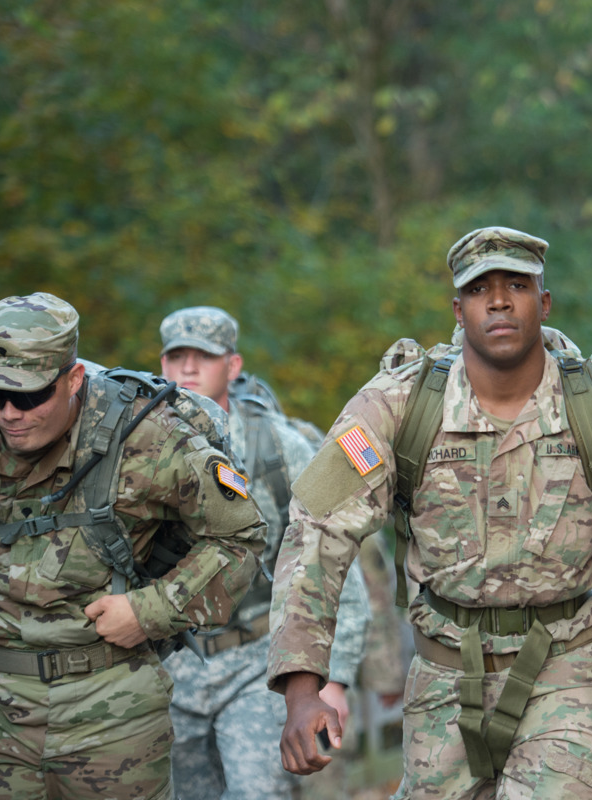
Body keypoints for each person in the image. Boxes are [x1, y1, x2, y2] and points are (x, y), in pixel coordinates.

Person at [267, 226, 592, 798]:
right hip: (441, 676)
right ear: (458, 310)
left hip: (569, 669)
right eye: (481, 289)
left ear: (544, 301)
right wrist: (302, 685)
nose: (501, 300)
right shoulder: (397, 406)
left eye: (517, 284)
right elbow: (317, 533)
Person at [0, 293, 265, 799]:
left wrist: (151, 610)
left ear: (73, 378)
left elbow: (240, 535)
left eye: (31, 395)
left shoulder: (149, 436)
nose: (11, 413)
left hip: (114, 702)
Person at [157, 306, 371, 800]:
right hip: (171, 664)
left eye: (203, 357)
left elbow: (333, 565)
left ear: (232, 366)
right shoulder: (137, 446)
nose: (188, 369)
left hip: (258, 660)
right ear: (162, 366)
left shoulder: (281, 446)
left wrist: (331, 680)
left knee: (258, 792)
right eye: (177, 356)